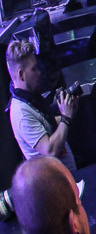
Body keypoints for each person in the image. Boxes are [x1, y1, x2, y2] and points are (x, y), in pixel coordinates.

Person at [7, 39, 78, 172]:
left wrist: (67, 111)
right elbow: (50, 151)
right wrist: (66, 119)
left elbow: (46, 127)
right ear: (21, 75)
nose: (39, 73)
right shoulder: (21, 113)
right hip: (54, 185)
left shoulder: (30, 98)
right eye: (34, 69)